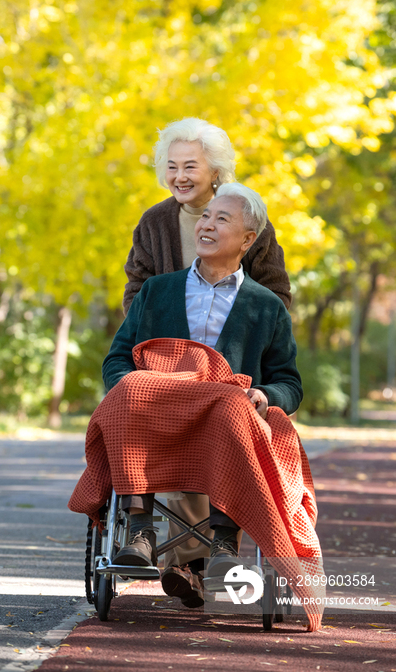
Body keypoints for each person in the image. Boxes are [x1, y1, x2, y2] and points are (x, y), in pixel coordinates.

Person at [122, 118, 292, 607]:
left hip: (232, 364)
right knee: (166, 414)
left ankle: (190, 561)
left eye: (190, 166)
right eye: (171, 166)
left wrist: (261, 346)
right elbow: (138, 290)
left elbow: (272, 293)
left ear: (215, 169)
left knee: (218, 419)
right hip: (167, 361)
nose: (179, 176)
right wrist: (148, 345)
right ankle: (196, 559)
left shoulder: (246, 217)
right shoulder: (154, 223)